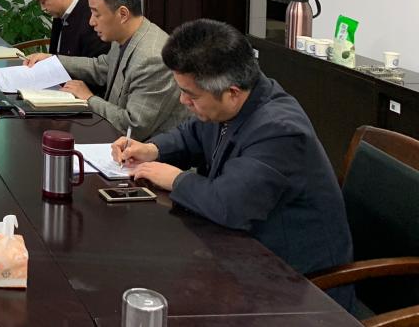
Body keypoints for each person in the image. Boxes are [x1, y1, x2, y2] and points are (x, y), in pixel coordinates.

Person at [112, 19, 353, 308]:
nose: (183, 100)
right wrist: (152, 149)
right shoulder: (232, 104)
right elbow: (192, 134)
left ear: (232, 92)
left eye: (191, 95)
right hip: (243, 258)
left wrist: (176, 179)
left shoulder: (279, 130)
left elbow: (228, 205)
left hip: (300, 287)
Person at [25, 0, 185, 140]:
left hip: (150, 149)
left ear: (123, 14)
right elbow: (102, 66)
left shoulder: (153, 58)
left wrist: (89, 98)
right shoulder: (123, 34)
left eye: (96, 14)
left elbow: (134, 126)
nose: (91, 22)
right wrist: (54, 61)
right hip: (115, 137)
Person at [23, 0, 110, 60]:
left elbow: (96, 66)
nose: (42, 8)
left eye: (43, 1)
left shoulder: (93, 19)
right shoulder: (59, 13)